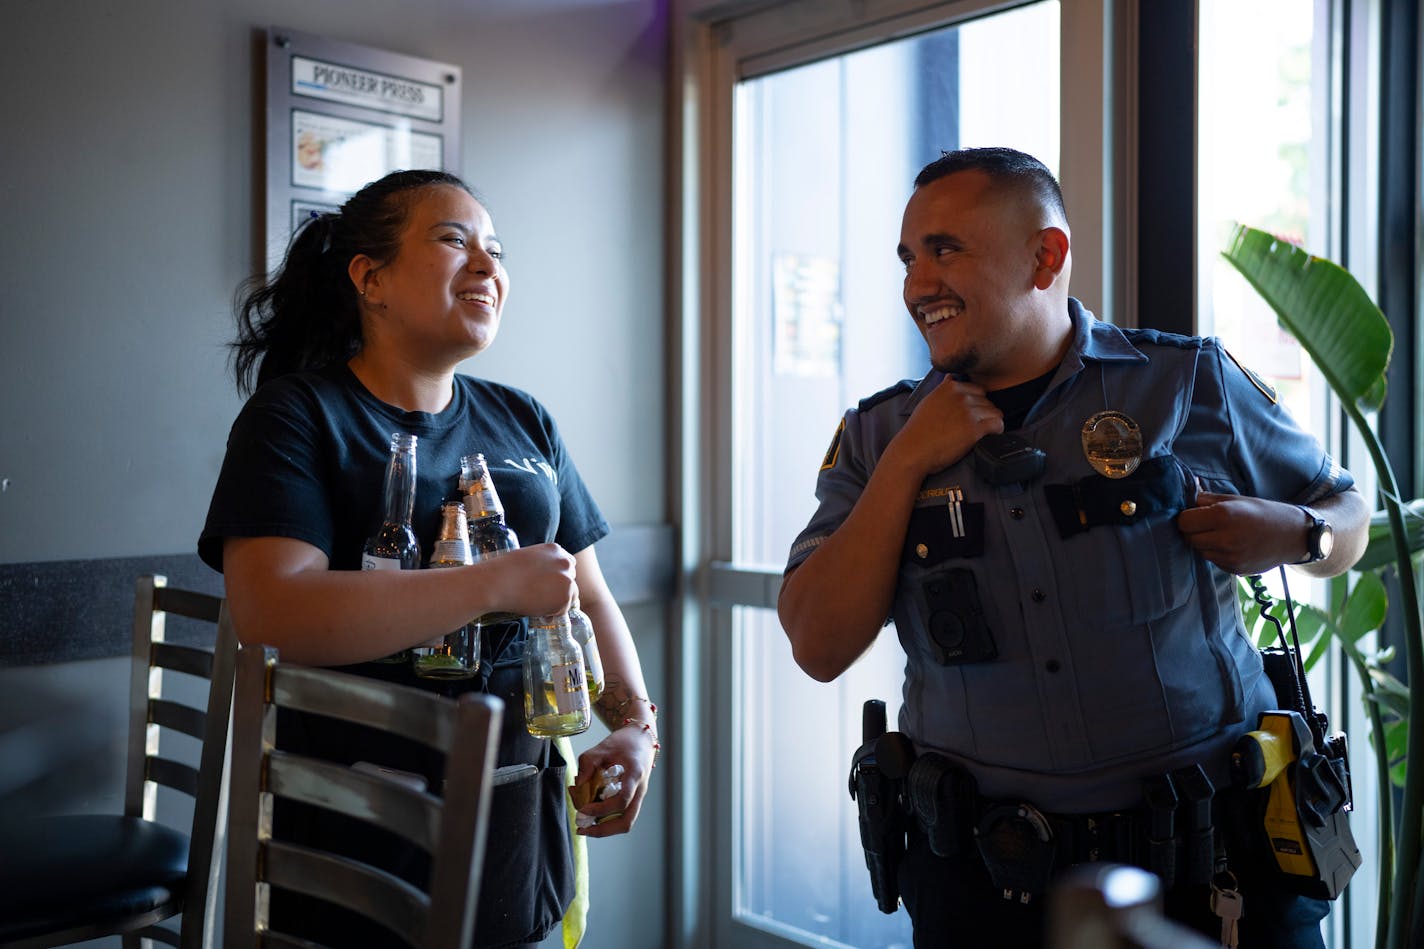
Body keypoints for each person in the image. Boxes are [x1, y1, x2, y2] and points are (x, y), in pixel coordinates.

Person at [777, 147, 1369, 948]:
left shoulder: (1185, 381)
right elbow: (818, 642)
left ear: (1045, 255)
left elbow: (1347, 511)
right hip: (984, 889)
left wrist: (1301, 533)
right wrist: (912, 457)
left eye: (946, 249)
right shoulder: (878, 433)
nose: (918, 285)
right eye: (909, 259)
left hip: (1207, 872)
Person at [199, 169, 659, 947]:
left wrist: (637, 727)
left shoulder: (525, 419)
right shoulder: (300, 415)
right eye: (454, 240)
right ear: (370, 278)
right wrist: (486, 585)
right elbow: (274, 607)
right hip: (354, 830)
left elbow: (588, 592)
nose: (488, 265)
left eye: (497, 250)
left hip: (519, 815)